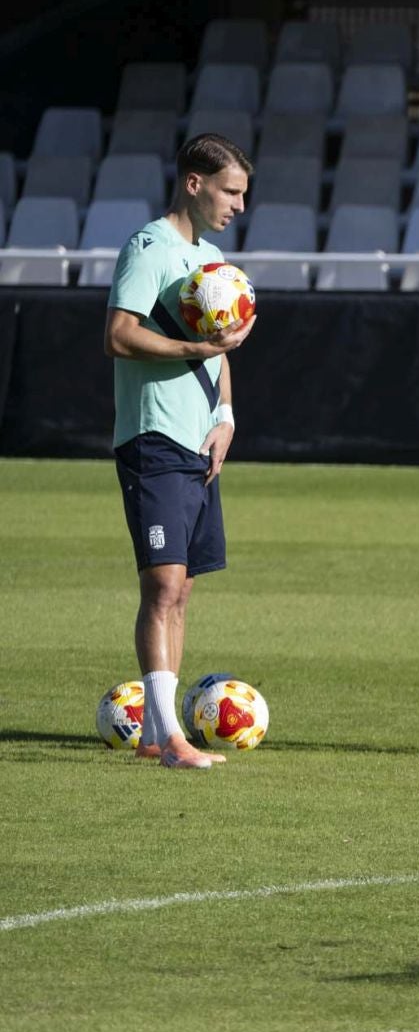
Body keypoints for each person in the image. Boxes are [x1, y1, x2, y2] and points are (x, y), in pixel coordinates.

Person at [105, 133, 256, 770]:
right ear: (194, 184)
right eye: (231, 191)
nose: (239, 206)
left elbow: (222, 349)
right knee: (162, 585)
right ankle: (170, 739)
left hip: (199, 443)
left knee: (183, 590)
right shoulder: (149, 247)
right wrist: (194, 351)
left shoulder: (213, 257)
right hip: (154, 437)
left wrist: (224, 415)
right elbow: (119, 335)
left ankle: (151, 734)